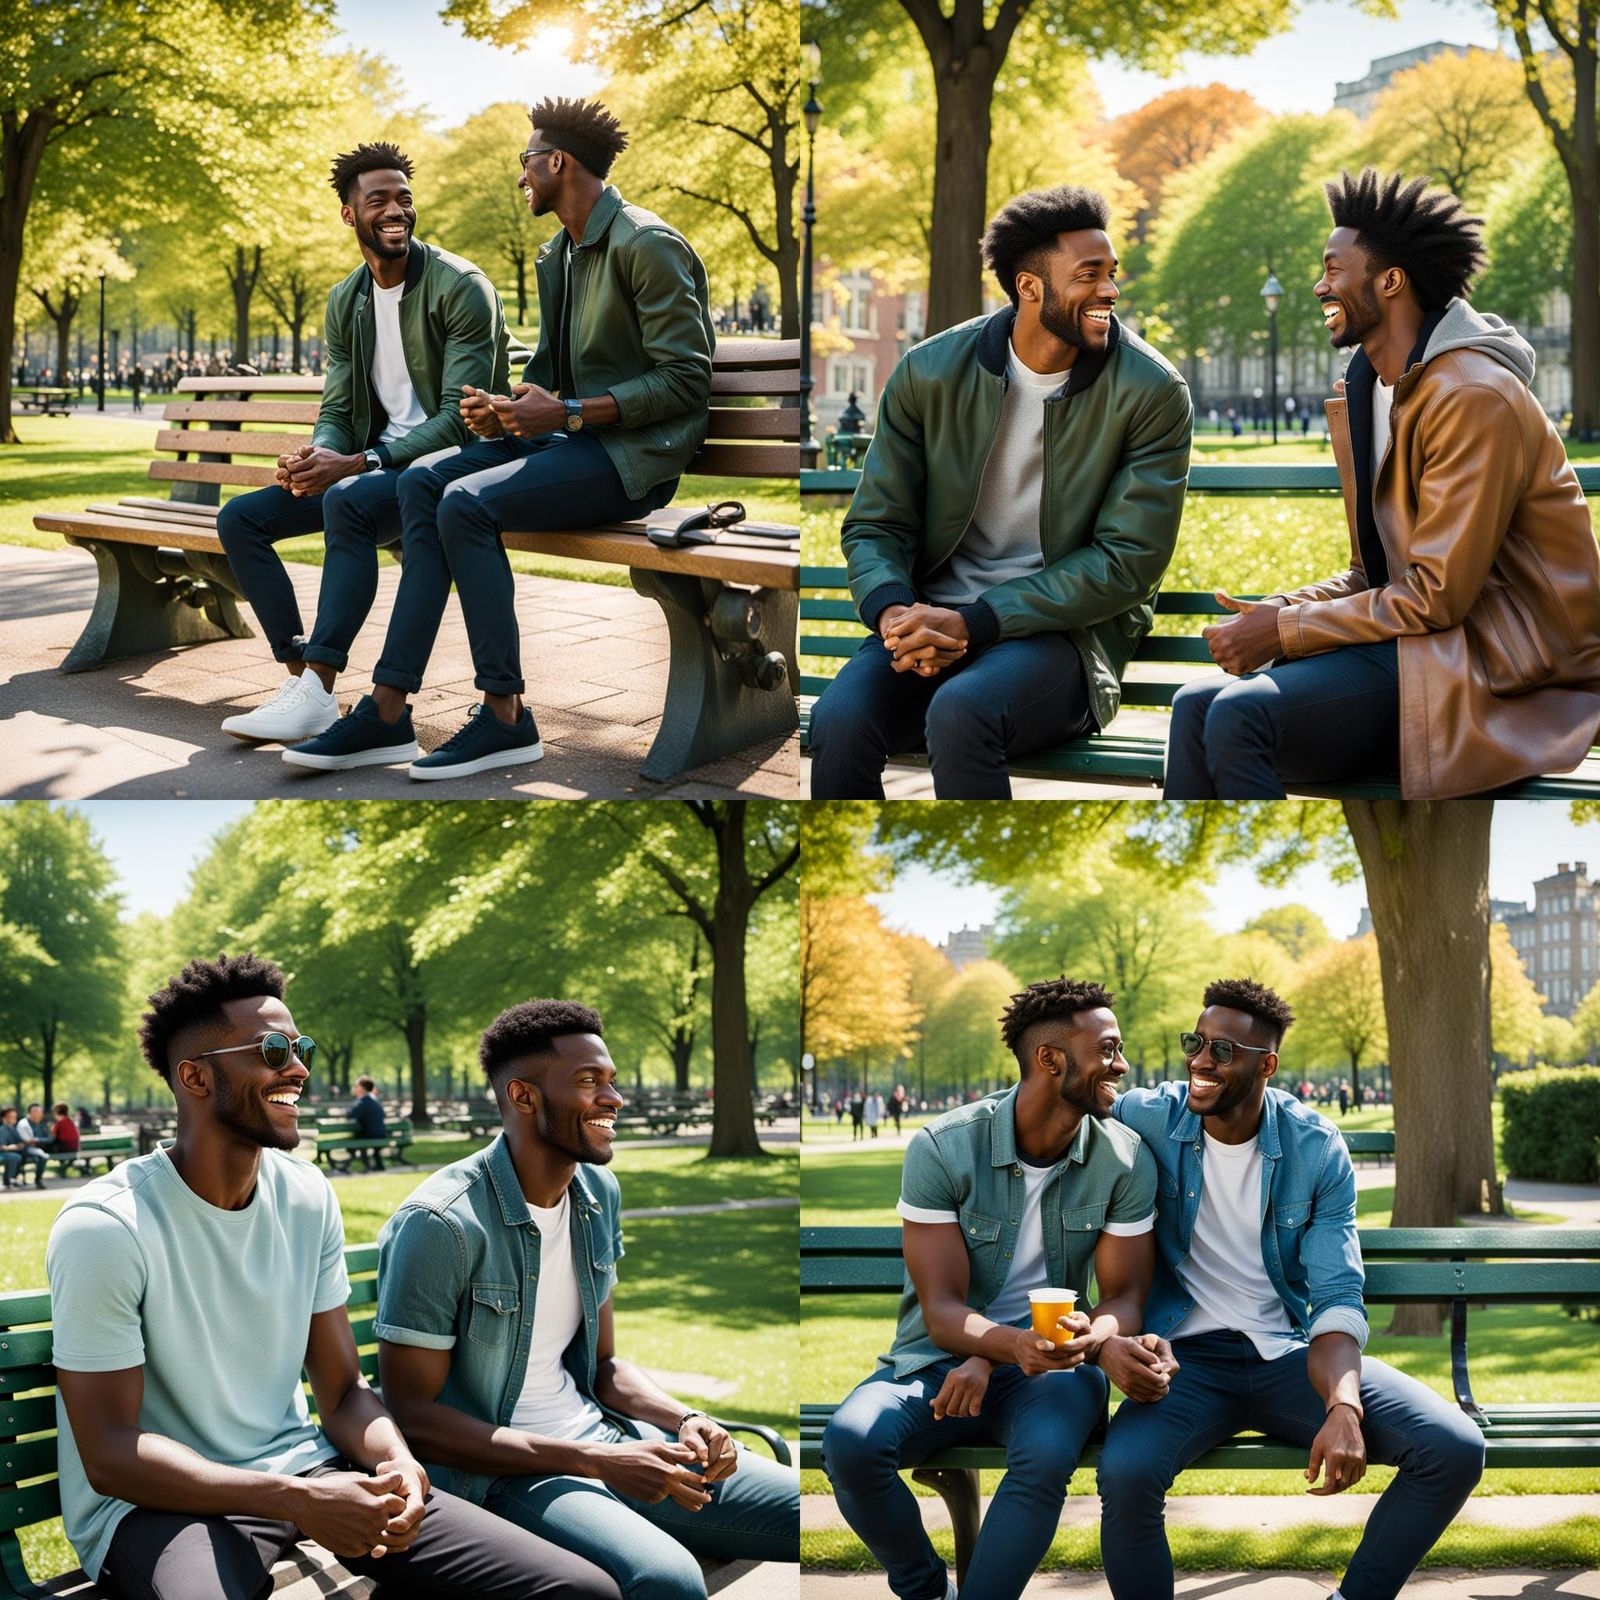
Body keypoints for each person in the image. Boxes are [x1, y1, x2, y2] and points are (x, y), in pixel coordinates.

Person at [44, 953, 621, 1600]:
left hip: (305, 1473)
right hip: (158, 1510)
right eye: (271, 1049)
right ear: (196, 1078)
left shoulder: (307, 1195)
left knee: (578, 1591)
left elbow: (343, 1392)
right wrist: (297, 1498)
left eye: (301, 1047)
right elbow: (113, 1454)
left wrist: (398, 1462)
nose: (297, 1067)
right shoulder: (106, 1228)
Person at [284, 97, 715, 781]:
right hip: (568, 442)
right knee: (427, 480)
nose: (520, 179)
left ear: (556, 163)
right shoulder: (560, 253)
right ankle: (388, 712)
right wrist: (505, 410)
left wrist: (569, 411)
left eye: (525, 163)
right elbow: (551, 375)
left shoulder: (647, 243)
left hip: (633, 459)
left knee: (466, 503)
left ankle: (507, 716)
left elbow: (688, 382)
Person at [1166, 168, 1600, 800]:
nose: (1319, 286)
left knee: (1239, 715)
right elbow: (1376, 571)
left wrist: (1285, 632)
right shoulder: (1370, 388)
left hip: (1498, 666)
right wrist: (1283, 608)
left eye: (1333, 269)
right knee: (1193, 705)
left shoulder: (1472, 395)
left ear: (1390, 280)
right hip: (1421, 645)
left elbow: (1435, 596)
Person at [374, 999, 798, 1598]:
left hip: (612, 1440)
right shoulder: (442, 1224)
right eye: (589, 1081)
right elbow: (415, 1417)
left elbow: (604, 1367)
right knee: (669, 1582)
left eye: (612, 1081)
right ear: (523, 1097)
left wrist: (685, 1419)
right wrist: (596, 1463)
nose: (614, 1098)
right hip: (506, 1475)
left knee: (801, 1513)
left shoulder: (597, 1191)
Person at [1098, 976, 1485, 1600]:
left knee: (1455, 1447)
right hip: (1183, 1360)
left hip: (1287, 1355)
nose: (1200, 1059)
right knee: (1126, 1472)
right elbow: (1060, 1102)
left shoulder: (1315, 1147)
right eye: (1194, 1042)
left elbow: (1335, 1296)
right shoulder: (1151, 1115)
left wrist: (1343, 1407)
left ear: (1266, 1065)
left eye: (1222, 1051)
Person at [808, 184, 1192, 800]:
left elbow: (1127, 563)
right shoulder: (928, 372)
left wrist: (977, 622)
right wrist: (896, 614)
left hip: (1062, 638)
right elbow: (877, 524)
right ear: (1029, 287)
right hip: (930, 619)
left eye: (1112, 274)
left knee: (962, 712)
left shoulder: (1151, 391)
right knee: (839, 720)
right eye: (1089, 276)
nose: (1110, 292)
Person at [822, 977, 1162, 1600]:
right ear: (1050, 1059)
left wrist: (1095, 1338)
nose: (1122, 1063)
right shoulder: (944, 1148)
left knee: (1043, 1459)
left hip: (1059, 1367)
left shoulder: (1125, 1158)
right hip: (937, 1360)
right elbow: (943, 1311)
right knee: (850, 1444)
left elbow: (1124, 1299)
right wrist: (998, 1348)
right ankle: (927, 1591)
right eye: (1109, 1049)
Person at [216, 140, 522, 751]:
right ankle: (304, 681)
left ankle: (320, 690)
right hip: (374, 468)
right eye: (377, 199)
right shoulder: (344, 299)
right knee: (240, 519)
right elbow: (336, 408)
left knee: (347, 500)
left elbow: (461, 420)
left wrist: (358, 462)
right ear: (349, 215)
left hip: (442, 468)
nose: (394, 210)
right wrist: (316, 456)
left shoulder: (461, 286)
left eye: (404, 199)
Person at [348, 1074, 388, 1172]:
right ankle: (378, 1165)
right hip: (381, 1134)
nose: (355, 1089)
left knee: (356, 1139)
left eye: (357, 1086)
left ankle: (367, 1165)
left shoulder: (363, 1102)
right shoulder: (376, 1101)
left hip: (370, 1135)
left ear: (363, 1088)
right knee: (361, 1137)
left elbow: (351, 1115)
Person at [1, 1105, 47, 1189]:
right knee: (15, 1157)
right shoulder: (3, 1130)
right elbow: (2, 1147)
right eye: (11, 1117)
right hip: (9, 1152)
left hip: (21, 1150)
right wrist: (13, 1147)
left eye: (14, 1116)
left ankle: (37, 1180)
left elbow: (21, 1142)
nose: (14, 1118)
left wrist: (21, 1144)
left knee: (40, 1156)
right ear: (4, 1118)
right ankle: (9, 1181)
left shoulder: (14, 1128)